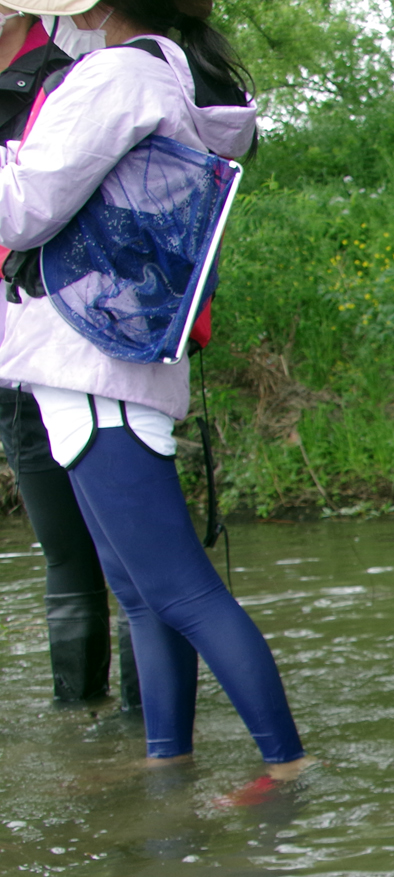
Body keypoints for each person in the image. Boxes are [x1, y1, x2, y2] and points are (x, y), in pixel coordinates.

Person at [0, 0, 310, 775]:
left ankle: (289, 767)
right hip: (111, 358)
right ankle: (166, 763)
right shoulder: (165, 68)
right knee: (142, 595)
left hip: (94, 363)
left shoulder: (115, 74)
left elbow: (23, 209)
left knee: (181, 592)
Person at [0, 9, 139, 706]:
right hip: (13, 353)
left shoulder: (68, 81)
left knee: (131, 559)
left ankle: (151, 738)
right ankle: (81, 727)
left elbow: (43, 215)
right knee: (64, 555)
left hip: (79, 340)